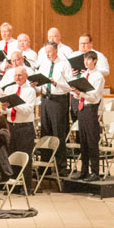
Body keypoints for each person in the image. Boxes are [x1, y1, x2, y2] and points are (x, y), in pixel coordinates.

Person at [32, 42, 73, 176]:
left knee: (58, 132)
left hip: (58, 100)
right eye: (46, 52)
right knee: (45, 132)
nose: (48, 54)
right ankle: (45, 166)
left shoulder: (64, 64)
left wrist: (55, 82)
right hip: (45, 99)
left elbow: (70, 86)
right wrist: (35, 85)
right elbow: (40, 85)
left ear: (56, 51)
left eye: (50, 52)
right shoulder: (44, 64)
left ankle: (61, 167)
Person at [70, 51, 105, 182]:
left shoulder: (98, 76)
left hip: (91, 109)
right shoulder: (84, 75)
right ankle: (84, 171)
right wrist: (75, 92)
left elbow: (94, 96)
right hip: (82, 108)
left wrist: (81, 93)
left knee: (91, 141)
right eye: (85, 60)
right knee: (83, 141)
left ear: (94, 61)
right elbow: (79, 94)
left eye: (89, 60)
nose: (86, 62)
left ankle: (95, 172)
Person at [3, 66, 37, 194]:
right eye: (15, 75)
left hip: (25, 127)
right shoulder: (9, 89)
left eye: (20, 75)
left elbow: (27, 110)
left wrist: (14, 104)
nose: (17, 77)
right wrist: (4, 107)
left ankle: (27, 187)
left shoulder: (30, 91)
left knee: (25, 157)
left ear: (26, 76)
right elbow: (6, 111)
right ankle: (14, 186)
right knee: (11, 156)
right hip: (11, 126)